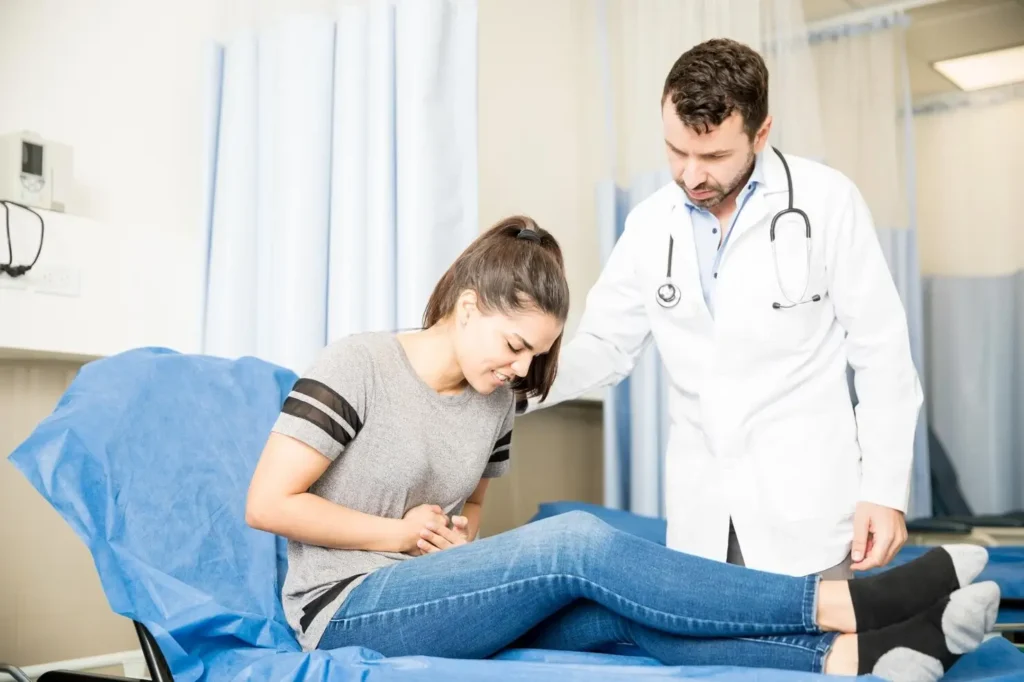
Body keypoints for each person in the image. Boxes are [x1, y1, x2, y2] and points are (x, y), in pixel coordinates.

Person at [245, 216, 997, 681]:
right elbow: (268, 504)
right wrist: (398, 534)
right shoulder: (359, 363)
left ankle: (851, 659)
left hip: (437, 592)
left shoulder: (498, 398)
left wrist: (447, 536)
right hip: (345, 605)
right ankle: (845, 603)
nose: (520, 372)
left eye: (534, 358)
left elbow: (466, 520)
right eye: (513, 347)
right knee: (574, 543)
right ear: (467, 306)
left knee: (616, 613)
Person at [521, 37, 924, 580]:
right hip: (702, 504)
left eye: (713, 156)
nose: (690, 175)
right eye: (675, 151)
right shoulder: (649, 223)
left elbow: (882, 353)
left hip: (805, 501)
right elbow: (604, 347)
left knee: (814, 654)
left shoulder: (827, 201)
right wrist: (513, 382)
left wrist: (883, 488)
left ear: (761, 132)